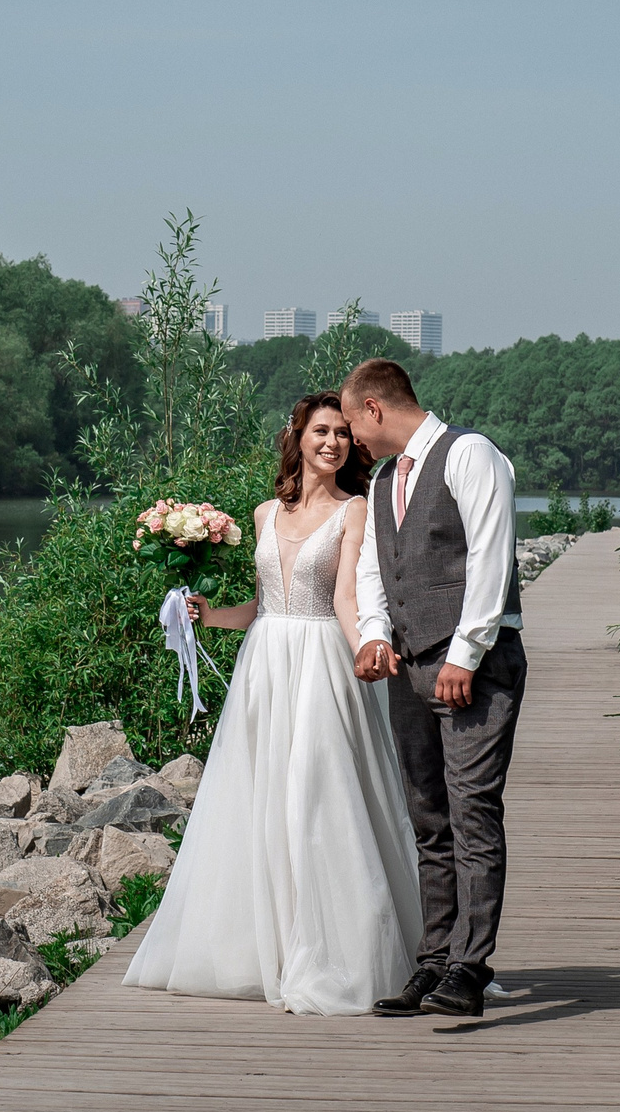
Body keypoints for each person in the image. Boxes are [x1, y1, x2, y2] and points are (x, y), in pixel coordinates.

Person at [121, 392, 424, 1015]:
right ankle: (262, 948)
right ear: (298, 436)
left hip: (321, 665)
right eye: (321, 431)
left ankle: (335, 950)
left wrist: (369, 649)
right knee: (260, 797)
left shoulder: (355, 511)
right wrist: (207, 617)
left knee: (319, 798)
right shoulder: (264, 514)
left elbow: (345, 596)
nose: (332, 443)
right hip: (265, 662)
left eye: (342, 433)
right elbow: (261, 607)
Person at [341, 356, 525, 1019]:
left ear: (374, 407)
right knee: (429, 818)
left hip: (473, 663)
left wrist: (467, 652)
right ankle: (435, 961)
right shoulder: (385, 478)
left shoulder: (469, 454)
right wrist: (374, 634)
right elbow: (372, 567)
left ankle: (470, 969)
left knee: (473, 810)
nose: (354, 441)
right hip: (409, 666)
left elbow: (490, 555)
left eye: (353, 422)